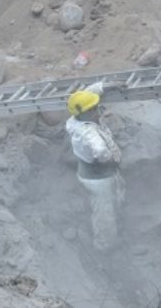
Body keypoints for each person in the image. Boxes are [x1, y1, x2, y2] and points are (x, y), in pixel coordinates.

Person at [65, 82, 125, 251]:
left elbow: (87, 93)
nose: (98, 109)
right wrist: (110, 160)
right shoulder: (88, 132)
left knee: (115, 196)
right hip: (99, 179)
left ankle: (119, 218)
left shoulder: (76, 117)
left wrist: (107, 87)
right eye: (95, 108)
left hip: (93, 173)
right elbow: (100, 151)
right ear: (88, 112)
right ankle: (105, 246)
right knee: (104, 212)